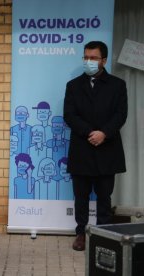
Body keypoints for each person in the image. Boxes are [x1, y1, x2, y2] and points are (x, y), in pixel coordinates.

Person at [64, 41, 127, 251]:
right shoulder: (73, 86)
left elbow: (121, 114)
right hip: (82, 148)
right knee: (80, 196)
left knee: (104, 197)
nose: (89, 61)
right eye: (86, 57)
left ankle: (104, 235)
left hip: (107, 149)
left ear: (104, 60)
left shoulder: (118, 85)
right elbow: (69, 115)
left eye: (93, 58)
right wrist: (90, 133)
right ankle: (81, 233)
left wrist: (104, 133)